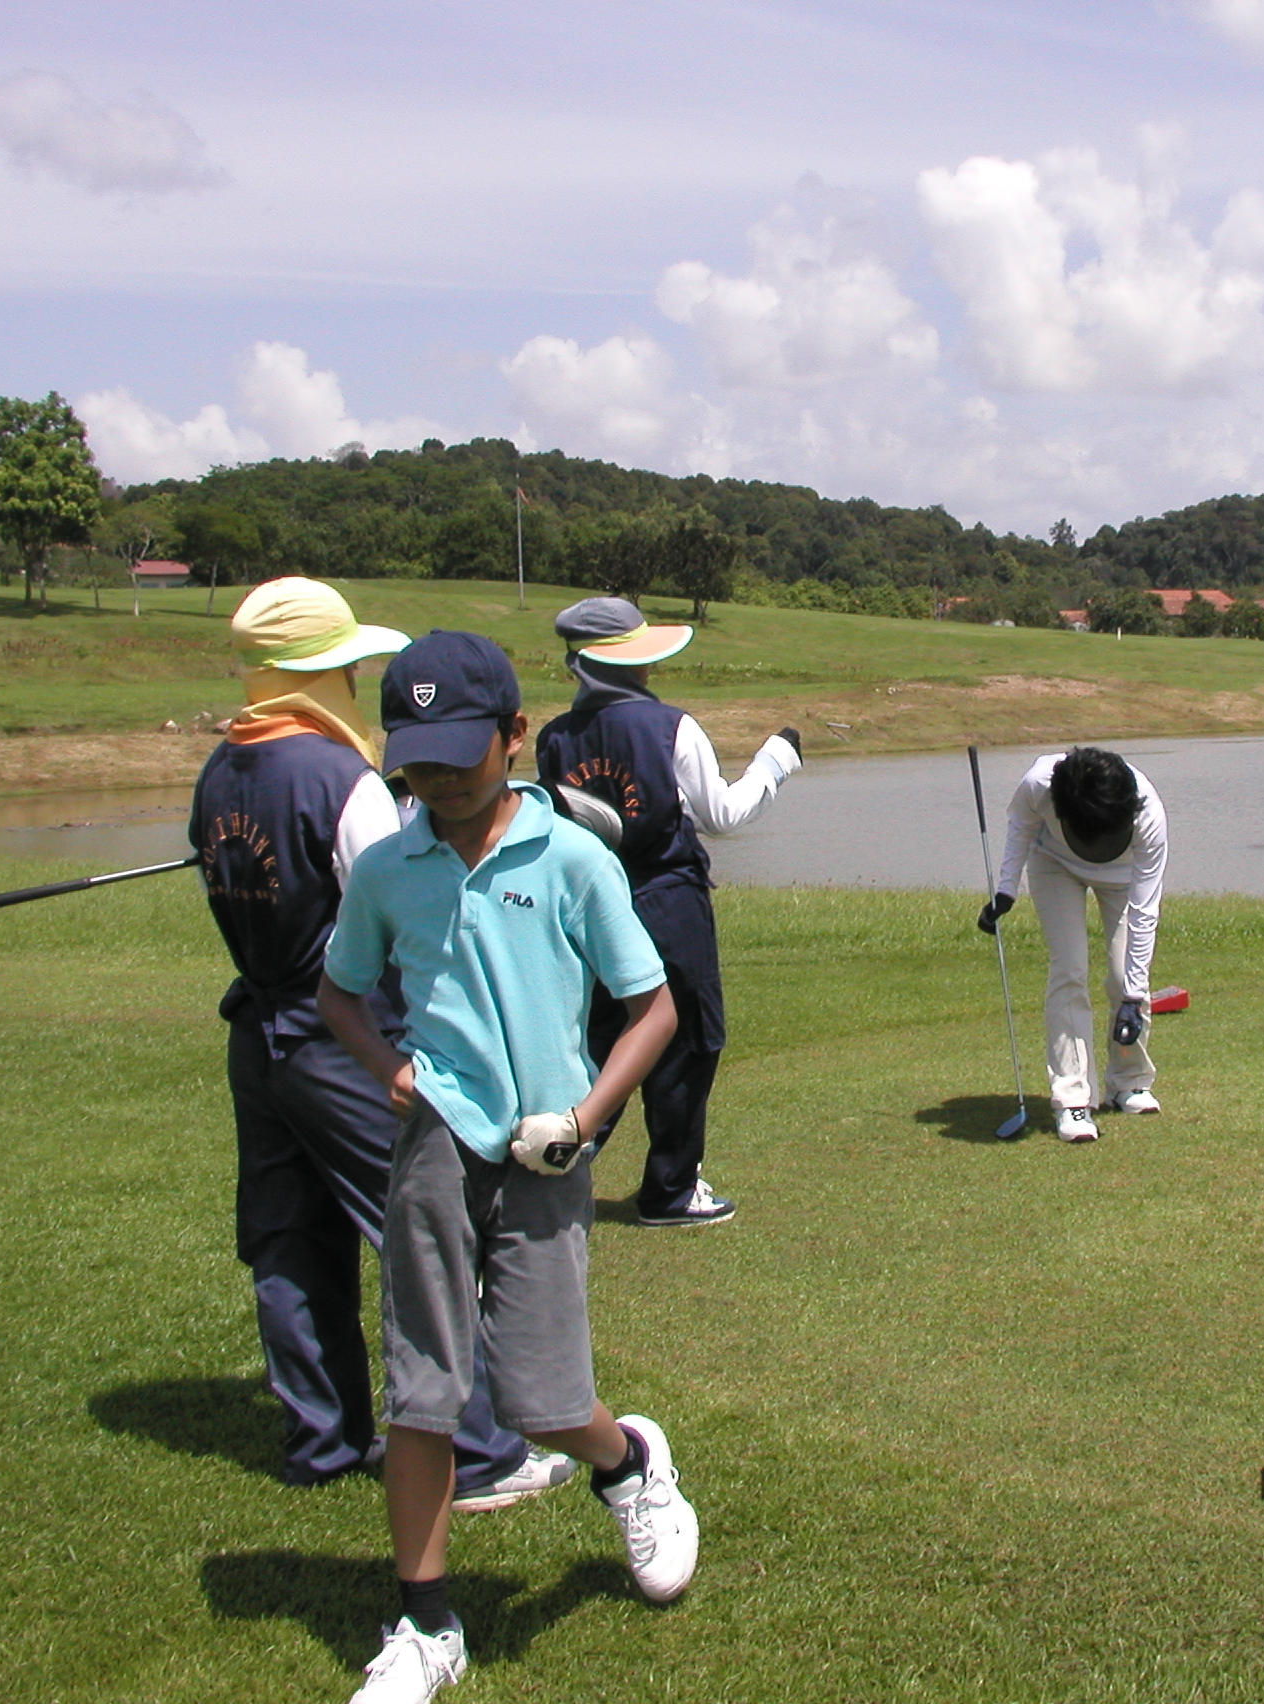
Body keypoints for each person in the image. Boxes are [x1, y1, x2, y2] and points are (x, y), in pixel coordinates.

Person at [319, 629, 695, 1704]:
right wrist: (389, 1069)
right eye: (415, 762)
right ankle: (425, 1621)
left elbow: (653, 1009)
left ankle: (626, 1463)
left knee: (541, 1403)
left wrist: (585, 1116)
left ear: (515, 734)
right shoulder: (387, 870)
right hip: (436, 1140)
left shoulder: (573, 858)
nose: (436, 781)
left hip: (546, 1149)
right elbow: (339, 992)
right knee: (422, 1391)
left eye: (456, 755)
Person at [189, 578, 563, 1510]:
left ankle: (322, 1441)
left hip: (258, 1042)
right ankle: (479, 1454)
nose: (355, 680)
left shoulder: (218, 771)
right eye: (346, 666)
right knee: (419, 1241)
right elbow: (394, 906)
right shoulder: (340, 777)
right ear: (320, 673)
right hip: (343, 1042)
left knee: (287, 1237)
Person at [534, 596, 801, 1227]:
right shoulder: (670, 726)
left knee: (601, 1037)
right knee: (686, 1039)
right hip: (666, 902)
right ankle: (671, 1190)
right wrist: (775, 761)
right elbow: (722, 815)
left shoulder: (553, 738)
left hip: (590, 908)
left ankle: (561, 1160)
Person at [978, 747, 1168, 1143]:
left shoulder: (1148, 812)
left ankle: (1129, 1082)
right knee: (1070, 970)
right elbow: (1021, 826)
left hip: (1123, 875)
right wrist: (1006, 889)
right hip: (1055, 865)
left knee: (1124, 976)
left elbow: (1144, 913)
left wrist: (1133, 996)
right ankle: (1072, 1100)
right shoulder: (1039, 783)